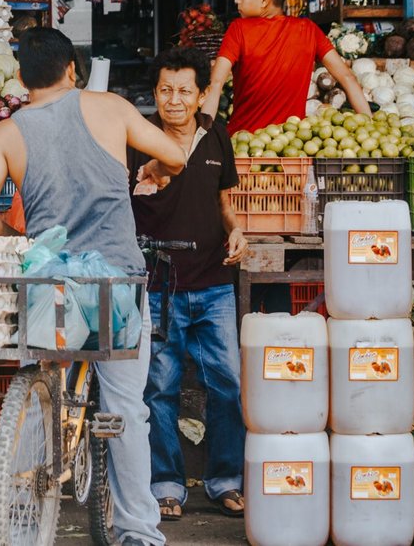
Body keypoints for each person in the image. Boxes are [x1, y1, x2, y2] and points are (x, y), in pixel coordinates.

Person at [0, 28, 188, 546]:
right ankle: (139, 531)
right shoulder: (109, 107)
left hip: (51, 286)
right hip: (114, 285)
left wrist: (21, 241)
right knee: (126, 410)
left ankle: (29, 479)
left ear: (22, 78)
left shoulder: (8, 132)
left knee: (46, 373)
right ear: (72, 69)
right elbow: (175, 156)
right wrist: (154, 166)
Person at [130, 48, 247, 523]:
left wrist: (236, 228)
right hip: (159, 285)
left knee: (229, 386)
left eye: (183, 91)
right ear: (154, 93)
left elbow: (223, 202)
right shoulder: (138, 138)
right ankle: (166, 485)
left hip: (215, 282)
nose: (173, 100)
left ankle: (224, 481)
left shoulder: (217, 135)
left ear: (202, 95)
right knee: (159, 389)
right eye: (164, 90)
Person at [201, 0, 369, 135]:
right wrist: (369, 128)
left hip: (244, 145)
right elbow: (347, 77)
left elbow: (216, 82)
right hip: (291, 146)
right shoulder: (309, 30)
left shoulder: (238, 29)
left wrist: (202, 137)